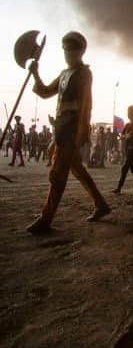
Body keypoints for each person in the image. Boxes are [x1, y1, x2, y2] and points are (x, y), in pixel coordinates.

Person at [26, 31, 110, 233]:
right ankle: (101, 204)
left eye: (72, 51)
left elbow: (86, 105)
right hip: (61, 129)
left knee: (58, 174)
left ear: (81, 52)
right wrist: (35, 73)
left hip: (71, 130)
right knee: (76, 169)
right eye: (65, 50)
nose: (68, 54)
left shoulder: (84, 73)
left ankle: (46, 220)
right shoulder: (64, 74)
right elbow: (45, 92)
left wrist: (81, 134)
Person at [113, 105, 133, 193]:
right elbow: (123, 135)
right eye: (129, 112)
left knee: (125, 168)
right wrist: (126, 136)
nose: (129, 114)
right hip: (128, 148)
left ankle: (119, 188)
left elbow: (129, 136)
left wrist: (126, 136)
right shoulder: (128, 125)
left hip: (132, 148)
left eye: (130, 112)